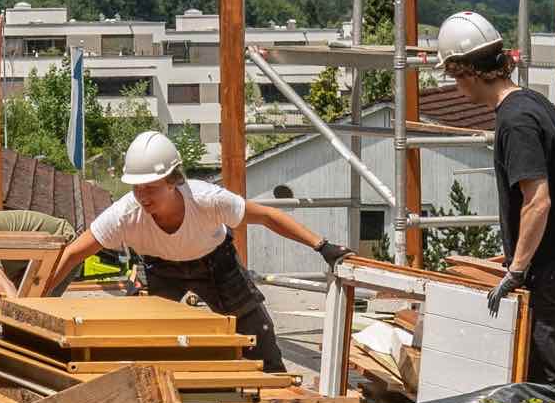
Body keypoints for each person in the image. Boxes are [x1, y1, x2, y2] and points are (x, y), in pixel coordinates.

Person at [25, 132, 350, 373]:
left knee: (256, 333)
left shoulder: (207, 200)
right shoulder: (124, 215)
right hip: (161, 269)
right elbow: (72, 254)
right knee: (159, 342)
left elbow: (267, 216)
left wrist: (322, 246)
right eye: (137, 189)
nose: (143, 197)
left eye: (151, 188)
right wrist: (34, 299)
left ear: (173, 181)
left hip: (216, 264)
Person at [436, 11, 555, 387]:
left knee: (544, 374)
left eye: (456, 79)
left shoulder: (516, 121)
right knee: (535, 364)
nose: (459, 90)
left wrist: (516, 271)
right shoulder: (532, 102)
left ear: (468, 73)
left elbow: (537, 201)